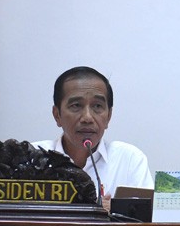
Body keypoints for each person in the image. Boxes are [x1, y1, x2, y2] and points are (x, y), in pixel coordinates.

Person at [33, 66, 154, 202]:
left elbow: (142, 220)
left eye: (97, 106)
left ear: (109, 116)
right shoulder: (33, 157)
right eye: (76, 106)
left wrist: (114, 212)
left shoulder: (129, 160)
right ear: (57, 115)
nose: (87, 118)